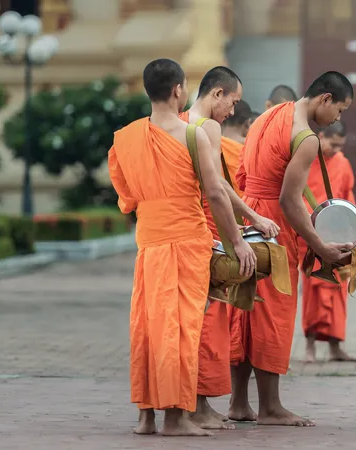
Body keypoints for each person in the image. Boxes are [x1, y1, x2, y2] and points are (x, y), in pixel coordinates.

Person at [108, 58, 256, 437]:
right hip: (188, 242)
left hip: (149, 243)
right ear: (178, 90)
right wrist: (236, 242)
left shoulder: (124, 138)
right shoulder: (193, 135)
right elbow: (217, 194)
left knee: (146, 325)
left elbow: (126, 198)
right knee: (180, 328)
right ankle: (175, 417)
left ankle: (146, 416)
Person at [228, 71, 355, 426]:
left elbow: (241, 173)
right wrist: (321, 247)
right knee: (272, 311)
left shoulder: (269, 115)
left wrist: (247, 215)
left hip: (248, 215)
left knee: (246, 308)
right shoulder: (306, 137)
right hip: (272, 224)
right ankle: (270, 407)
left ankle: (239, 403)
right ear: (325, 99)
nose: (337, 120)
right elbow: (288, 200)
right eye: (340, 110)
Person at [178, 67, 280, 431]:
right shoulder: (206, 127)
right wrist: (243, 232)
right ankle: (198, 405)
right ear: (217, 94)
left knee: (192, 320)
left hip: (181, 229)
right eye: (232, 101)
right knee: (207, 321)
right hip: (206, 229)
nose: (233, 110)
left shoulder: (177, 122)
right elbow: (217, 187)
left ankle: (192, 403)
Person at [297, 121, 356, 363]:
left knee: (339, 290)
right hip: (311, 234)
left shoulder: (342, 163)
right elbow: (296, 195)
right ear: (320, 136)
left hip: (339, 235)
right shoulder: (304, 159)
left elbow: (348, 196)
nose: (335, 149)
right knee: (312, 292)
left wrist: (353, 232)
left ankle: (335, 347)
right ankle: (309, 347)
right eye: (332, 144)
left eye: (340, 145)